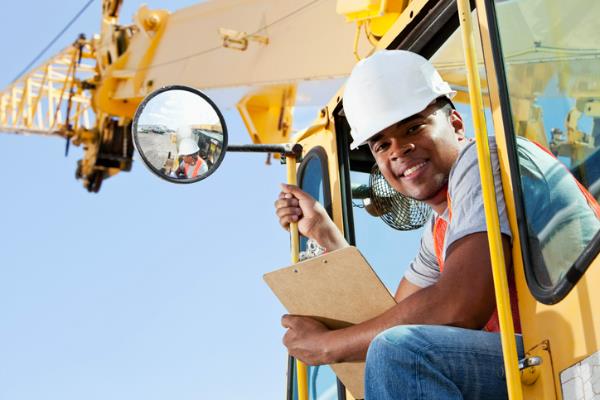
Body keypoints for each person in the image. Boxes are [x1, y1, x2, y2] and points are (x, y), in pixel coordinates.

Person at [273, 49, 597, 399]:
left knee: (403, 354)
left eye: (413, 127)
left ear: (456, 124)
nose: (399, 150)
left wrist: (327, 347)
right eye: (382, 145)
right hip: (547, 361)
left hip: (582, 351)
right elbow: (393, 320)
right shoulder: (440, 227)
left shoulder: (486, 160)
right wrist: (326, 235)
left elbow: (458, 307)